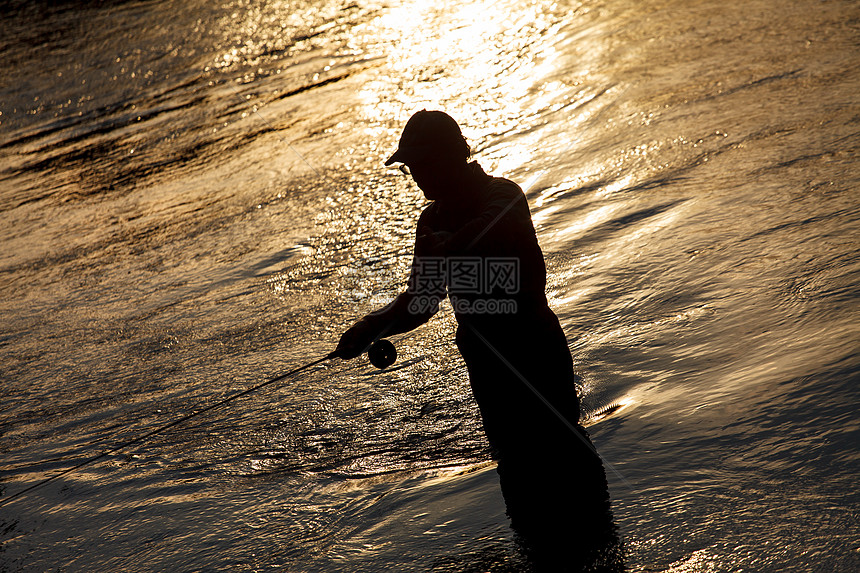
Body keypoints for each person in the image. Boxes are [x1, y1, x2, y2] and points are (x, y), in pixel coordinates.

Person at [335, 110, 622, 570]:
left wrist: (440, 248)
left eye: (423, 166)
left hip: (538, 364)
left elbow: (476, 237)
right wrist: (373, 326)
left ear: (453, 157)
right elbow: (424, 299)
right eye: (411, 170)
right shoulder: (432, 219)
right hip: (492, 384)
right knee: (525, 506)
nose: (417, 179)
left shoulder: (503, 197)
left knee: (579, 492)